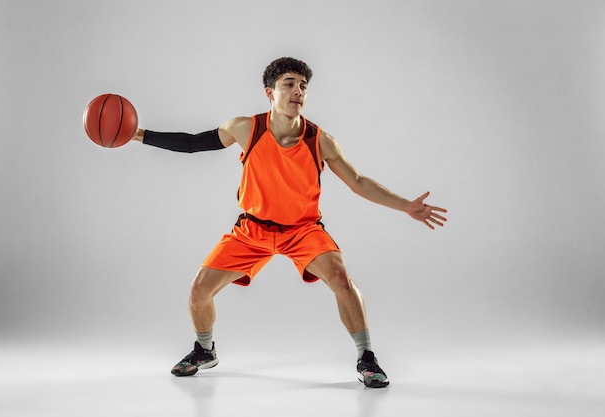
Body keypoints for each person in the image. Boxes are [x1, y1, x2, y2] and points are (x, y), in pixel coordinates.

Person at [131, 57, 447, 388]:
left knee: (341, 278)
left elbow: (357, 181)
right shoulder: (245, 128)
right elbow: (194, 143)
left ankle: (366, 358)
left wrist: (406, 206)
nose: (298, 91)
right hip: (251, 231)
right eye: (289, 84)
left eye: (303, 86)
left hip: (303, 231)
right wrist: (139, 135)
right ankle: (204, 350)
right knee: (199, 290)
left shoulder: (320, 140)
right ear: (270, 92)